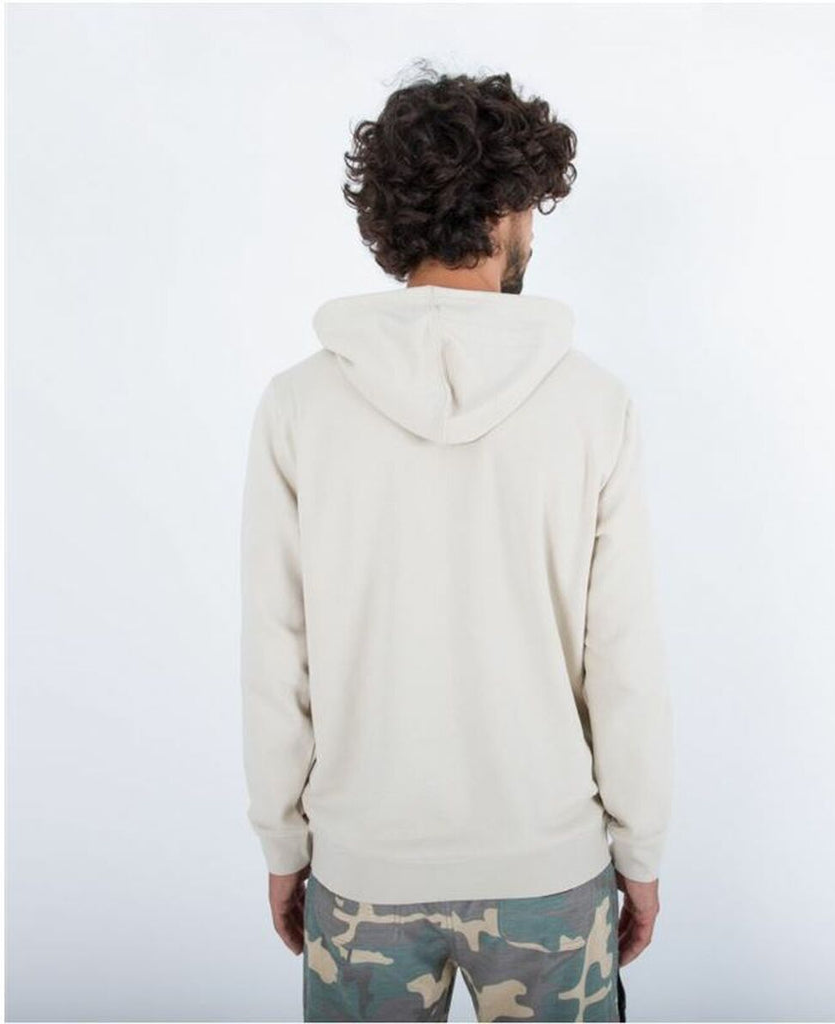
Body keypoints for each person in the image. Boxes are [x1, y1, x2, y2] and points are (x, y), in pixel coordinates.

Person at [239, 65, 673, 1022]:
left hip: (364, 870)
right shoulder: (593, 405)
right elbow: (624, 661)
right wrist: (638, 852)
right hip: (549, 869)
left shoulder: (299, 405)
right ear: (510, 209)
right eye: (532, 210)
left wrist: (283, 843)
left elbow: (276, 655)